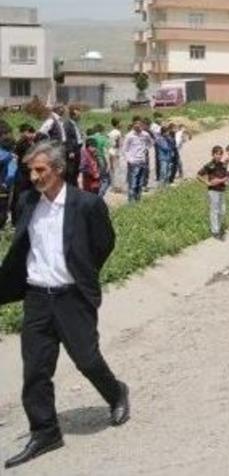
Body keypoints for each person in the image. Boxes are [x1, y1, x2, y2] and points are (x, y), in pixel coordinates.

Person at [0, 142, 130, 468]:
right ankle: (45, 432)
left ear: (58, 169)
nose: (34, 176)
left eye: (40, 170)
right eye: (31, 170)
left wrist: (83, 272)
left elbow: (104, 242)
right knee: (35, 370)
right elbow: (21, 244)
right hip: (36, 297)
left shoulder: (86, 205)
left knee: (86, 359)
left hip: (72, 296)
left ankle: (116, 393)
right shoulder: (29, 202)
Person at [196, 145, 229, 240]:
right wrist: (207, 182)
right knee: (214, 211)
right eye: (216, 154)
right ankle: (215, 231)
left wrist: (224, 180)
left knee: (222, 210)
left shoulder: (223, 165)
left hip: (222, 189)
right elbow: (198, 175)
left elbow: (225, 176)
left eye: (220, 154)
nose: (218, 156)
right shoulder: (210, 165)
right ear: (213, 154)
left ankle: (218, 227)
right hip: (213, 190)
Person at [122, 118, 153, 202]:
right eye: (136, 126)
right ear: (133, 126)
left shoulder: (145, 134)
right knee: (133, 183)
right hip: (133, 162)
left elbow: (150, 143)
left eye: (140, 126)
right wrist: (129, 159)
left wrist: (146, 149)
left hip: (142, 161)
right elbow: (124, 149)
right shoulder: (129, 136)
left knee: (140, 183)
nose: (138, 128)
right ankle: (131, 202)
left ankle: (138, 200)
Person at [11, 123, 36, 223]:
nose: (32, 134)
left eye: (32, 132)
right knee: (18, 196)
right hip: (22, 174)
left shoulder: (30, 142)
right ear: (23, 132)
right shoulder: (21, 143)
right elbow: (19, 158)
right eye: (29, 132)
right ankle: (15, 219)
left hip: (28, 173)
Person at [0, 136, 16, 229]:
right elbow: (11, 174)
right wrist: (6, 184)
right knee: (2, 209)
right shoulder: (10, 158)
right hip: (2, 187)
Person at [107, 117, 123, 192]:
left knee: (112, 169)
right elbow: (118, 143)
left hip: (110, 151)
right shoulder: (118, 132)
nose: (121, 124)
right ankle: (118, 187)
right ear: (117, 124)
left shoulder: (110, 133)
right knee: (117, 169)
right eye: (120, 122)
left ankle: (113, 186)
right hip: (116, 151)